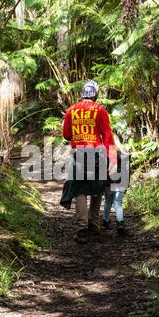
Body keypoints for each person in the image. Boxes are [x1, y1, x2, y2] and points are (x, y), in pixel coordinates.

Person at [60, 80, 116, 244]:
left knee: (79, 190)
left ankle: (81, 227)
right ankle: (94, 222)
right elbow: (107, 136)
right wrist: (112, 159)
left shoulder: (71, 110)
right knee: (97, 188)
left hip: (78, 153)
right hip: (97, 153)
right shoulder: (100, 110)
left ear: (83, 94)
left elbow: (66, 134)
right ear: (96, 94)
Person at [102, 134, 130, 235]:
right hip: (121, 181)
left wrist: (102, 183)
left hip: (109, 181)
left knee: (108, 202)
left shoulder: (105, 151)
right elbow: (127, 169)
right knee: (118, 202)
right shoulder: (124, 151)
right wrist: (127, 183)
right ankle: (120, 223)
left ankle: (105, 221)